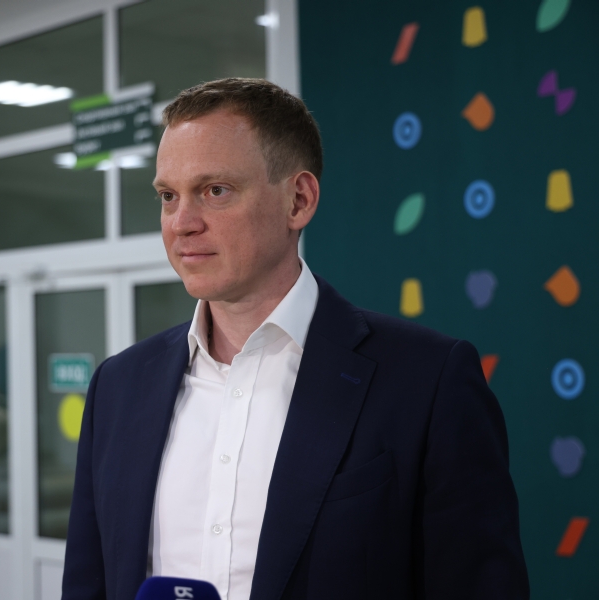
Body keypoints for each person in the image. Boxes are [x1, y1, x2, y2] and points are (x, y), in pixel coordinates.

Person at [62, 78, 528, 600]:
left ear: (298, 201)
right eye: (169, 196)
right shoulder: (118, 387)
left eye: (215, 191)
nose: (182, 223)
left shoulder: (428, 382)